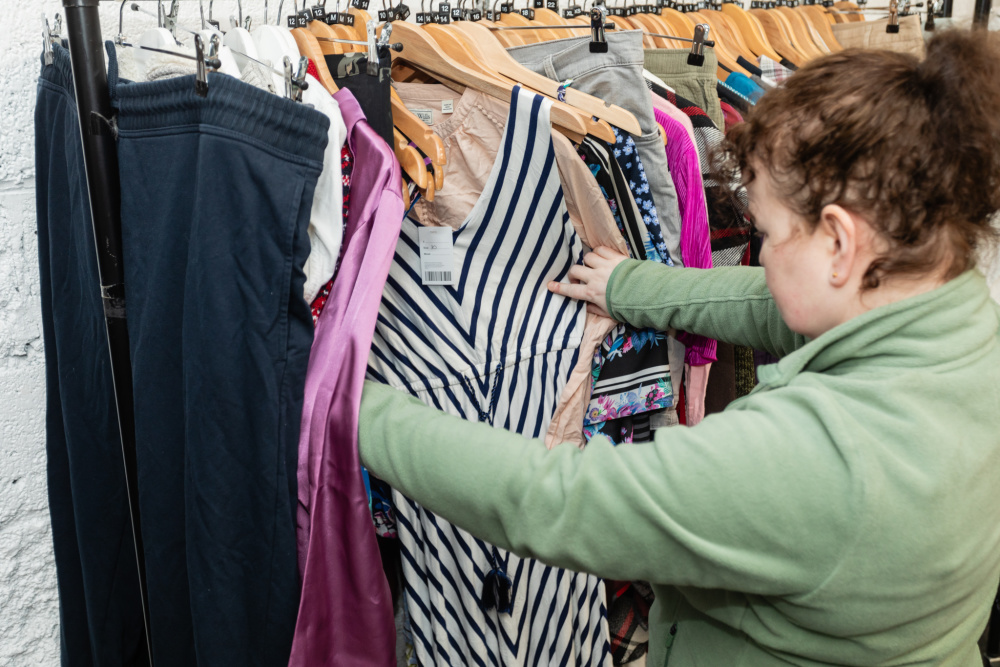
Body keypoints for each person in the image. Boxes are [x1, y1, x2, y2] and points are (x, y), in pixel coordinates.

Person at [357, 29, 1000, 666]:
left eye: (768, 234)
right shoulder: (964, 328)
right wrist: (632, 283)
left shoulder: (818, 458)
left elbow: (556, 500)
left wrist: (355, 405)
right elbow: (768, 304)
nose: (763, 254)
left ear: (839, 243)